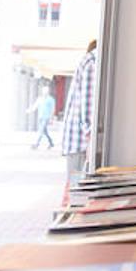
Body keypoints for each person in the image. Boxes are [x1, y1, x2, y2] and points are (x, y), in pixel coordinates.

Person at [60, 40, 97, 178]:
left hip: (78, 143)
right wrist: (91, 139)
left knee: (75, 190)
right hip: (82, 144)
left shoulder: (89, 60)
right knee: (78, 192)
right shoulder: (93, 62)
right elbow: (88, 104)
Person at [28, 84, 56, 149]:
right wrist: (30, 111)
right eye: (44, 90)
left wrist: (51, 118)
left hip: (46, 118)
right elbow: (35, 106)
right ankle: (51, 143)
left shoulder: (51, 99)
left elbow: (53, 109)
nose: (45, 92)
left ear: (48, 91)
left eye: (46, 91)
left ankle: (36, 144)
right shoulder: (40, 99)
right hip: (40, 117)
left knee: (40, 131)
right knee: (45, 132)